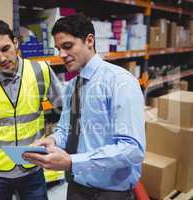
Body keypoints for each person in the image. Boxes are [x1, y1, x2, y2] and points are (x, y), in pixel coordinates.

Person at [23, 13, 145, 200]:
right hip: (76, 186)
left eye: (68, 46)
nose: (62, 54)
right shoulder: (72, 86)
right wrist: (53, 140)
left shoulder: (120, 82)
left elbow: (132, 149)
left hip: (110, 192)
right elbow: (66, 129)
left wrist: (72, 161)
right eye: (58, 49)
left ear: (89, 41)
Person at [0, 19, 62, 200]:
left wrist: (57, 142)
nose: (2, 58)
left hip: (32, 166)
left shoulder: (41, 71)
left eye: (5, 49)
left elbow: (66, 111)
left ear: (15, 42)